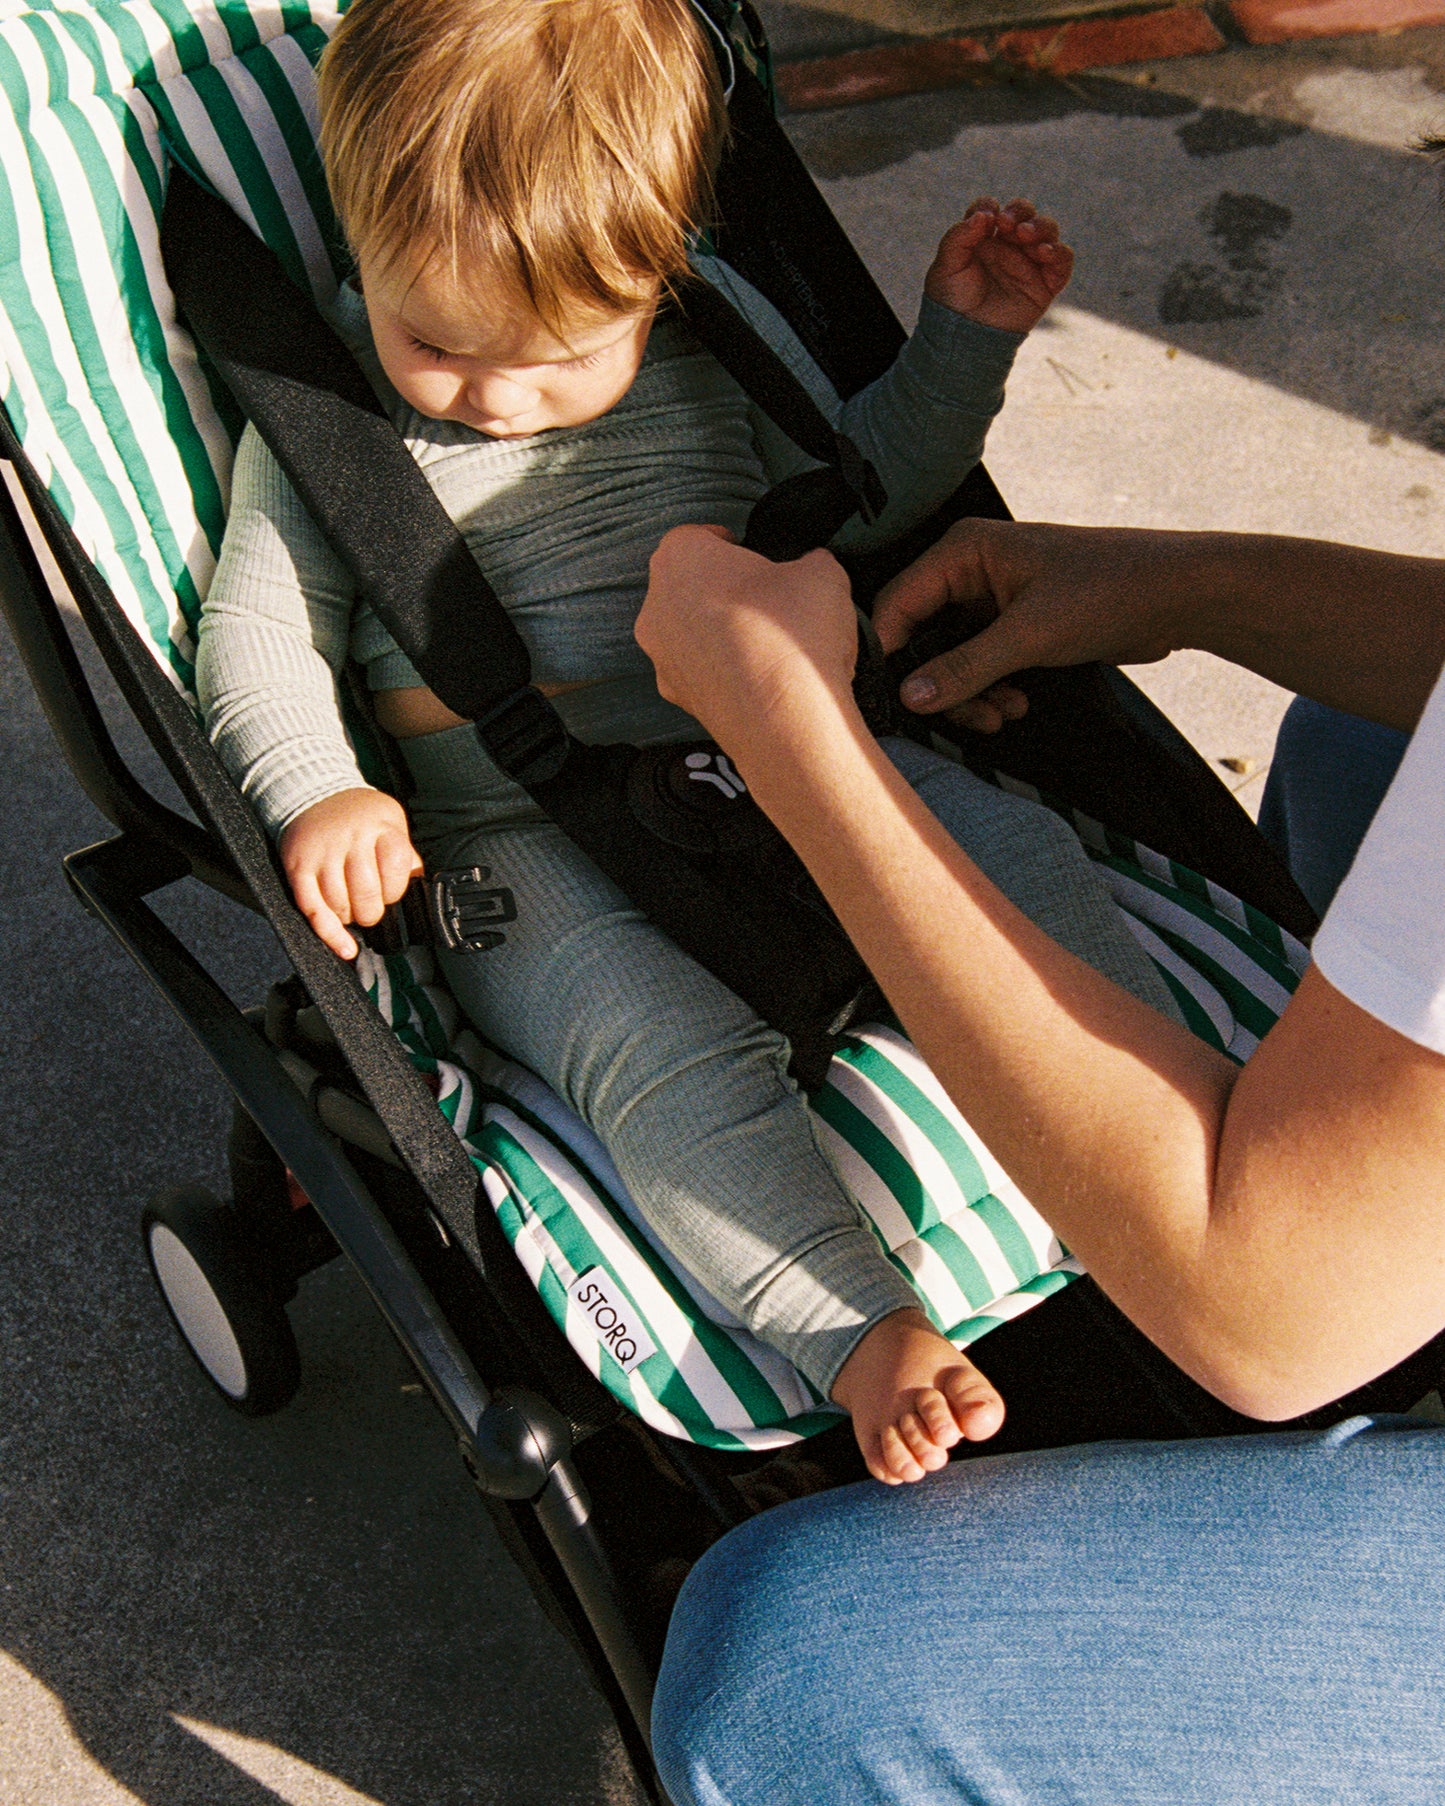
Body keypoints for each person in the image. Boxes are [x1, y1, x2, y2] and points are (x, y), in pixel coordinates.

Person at [194, 0, 1184, 1483]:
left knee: (1012, 849)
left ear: (656, 274)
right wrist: (321, 786)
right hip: (515, 839)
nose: (497, 395)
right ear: (360, 241)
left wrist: (960, 350)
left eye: (561, 356)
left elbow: (851, 496)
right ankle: (856, 1331)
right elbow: (258, 634)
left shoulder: (707, 342)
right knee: (652, 1051)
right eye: (436, 342)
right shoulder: (334, 420)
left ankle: (1162, 1119)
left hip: (782, 744)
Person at [635, 517, 1445, 1802]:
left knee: (794, 1671)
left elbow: (1264, 1321)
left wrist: (783, 733)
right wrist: (1201, 585)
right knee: (1365, 748)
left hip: (1269, 1308)